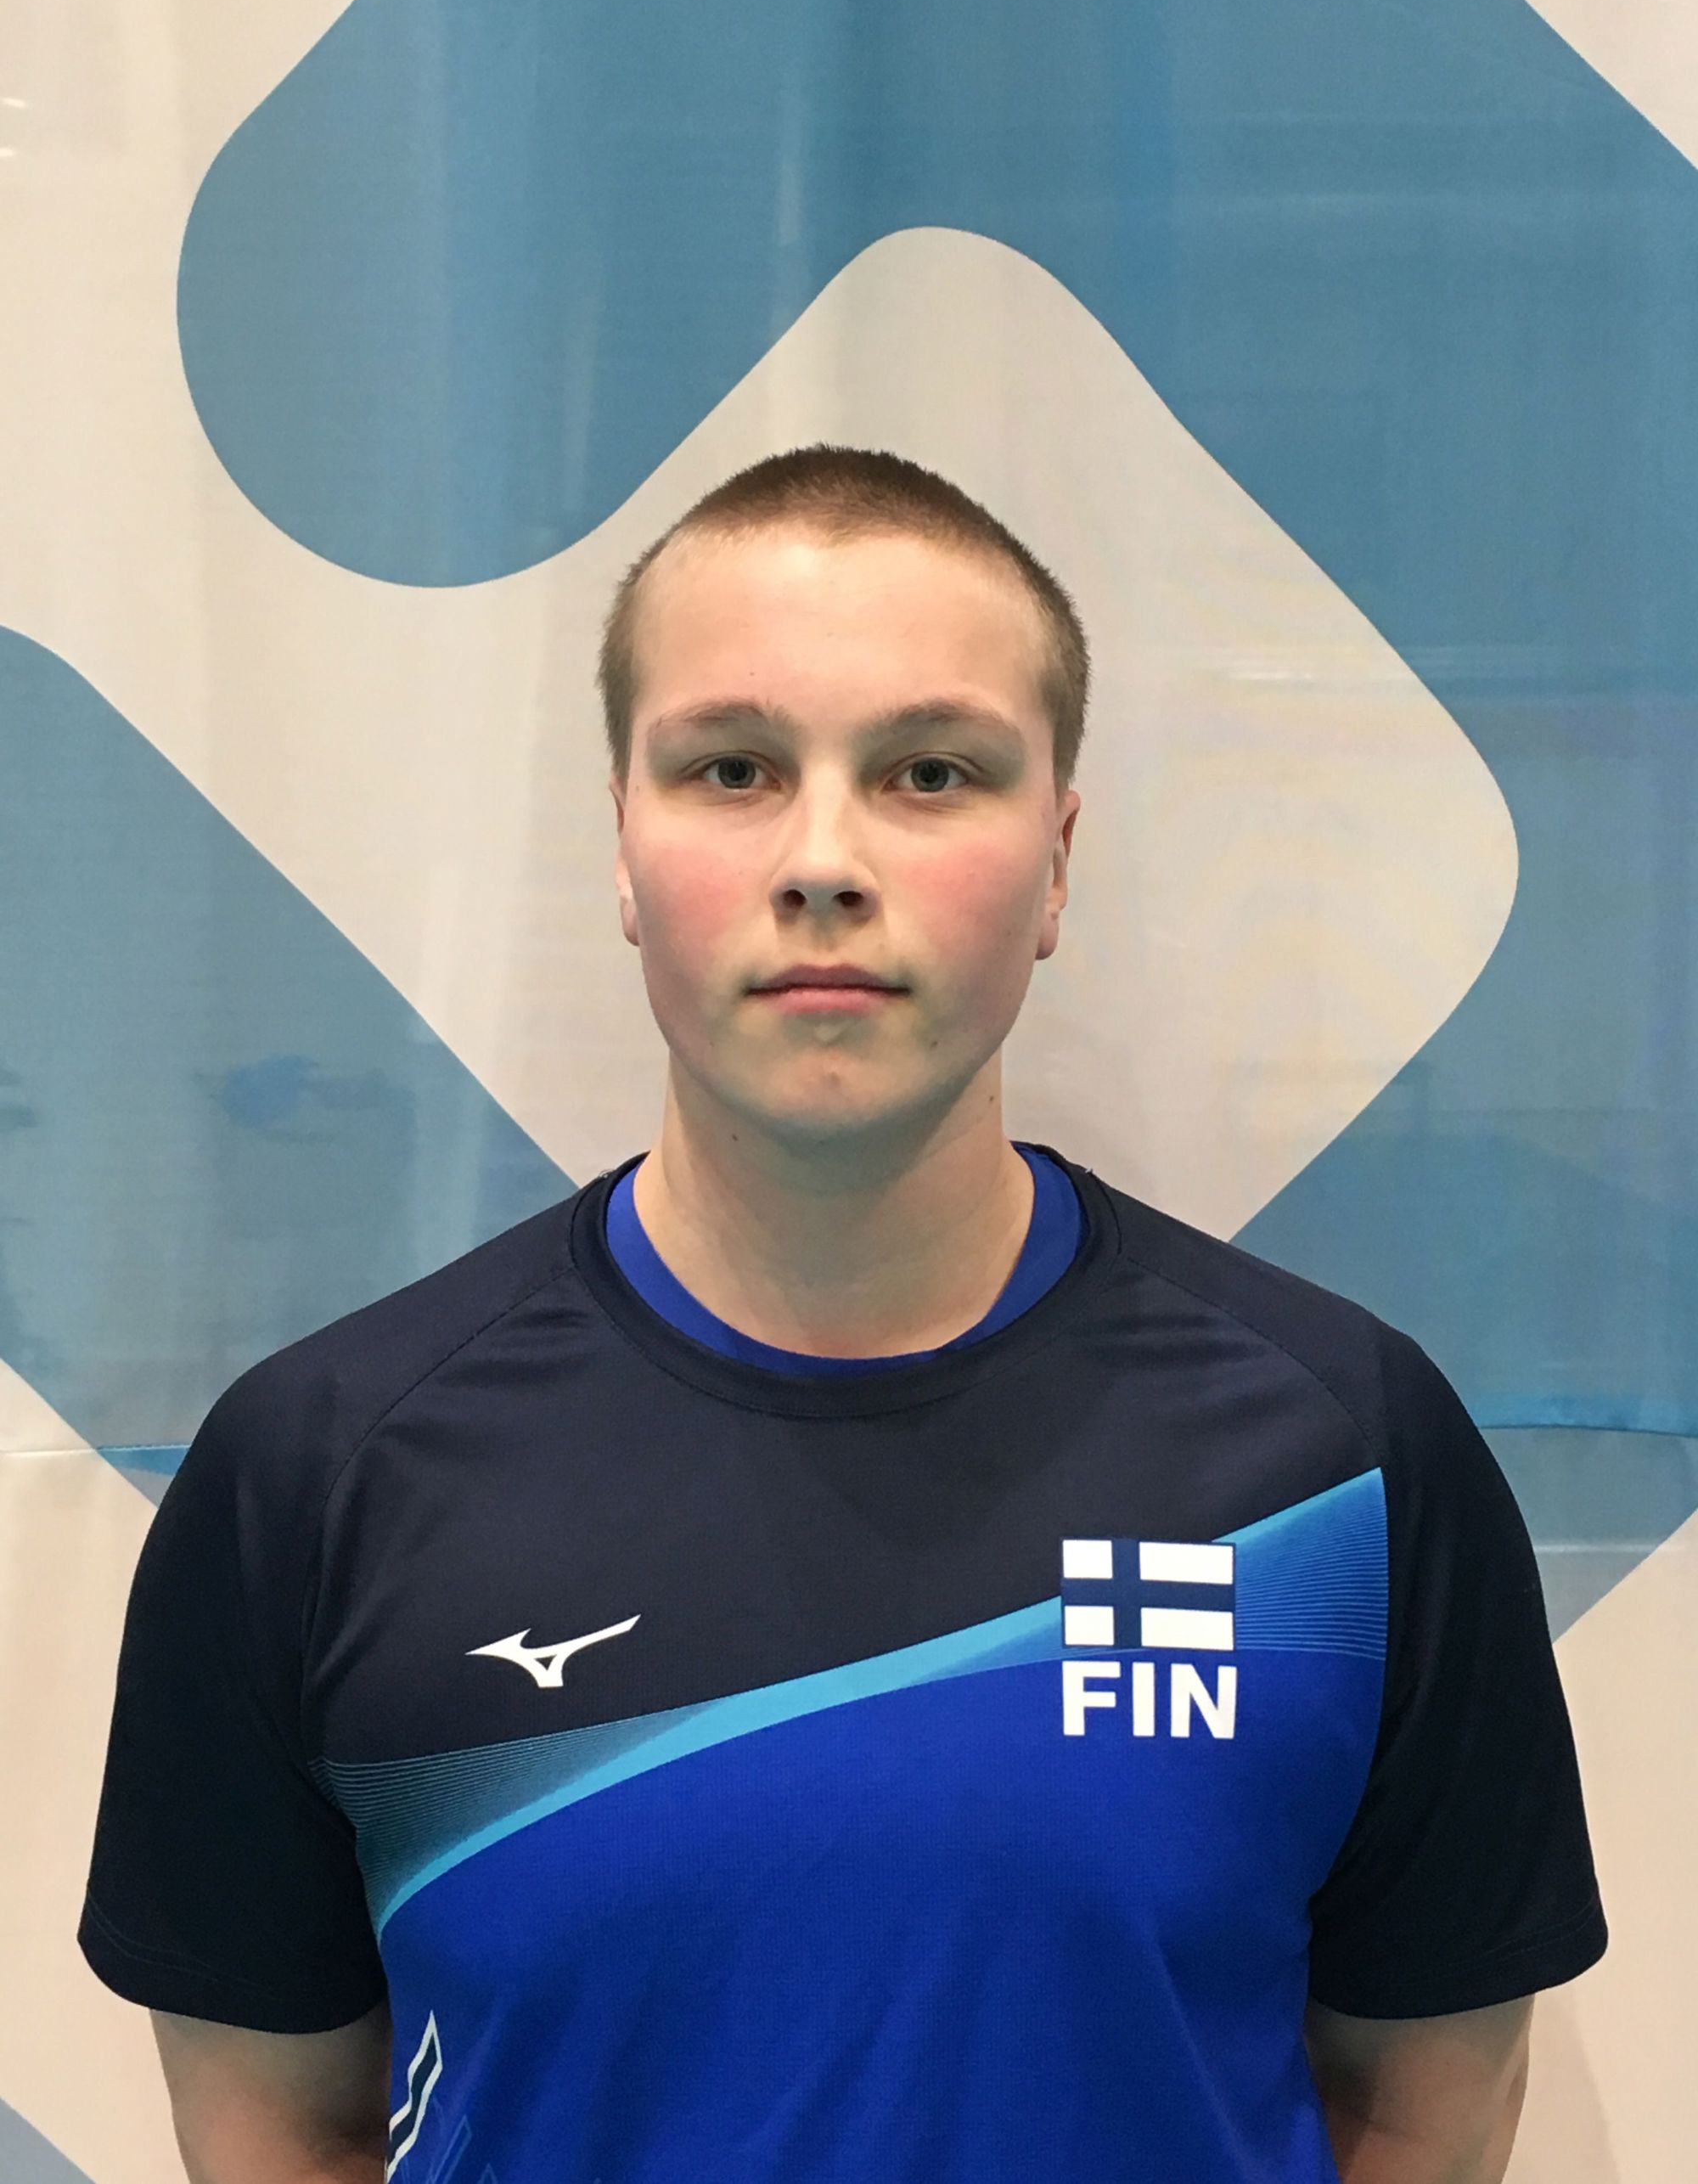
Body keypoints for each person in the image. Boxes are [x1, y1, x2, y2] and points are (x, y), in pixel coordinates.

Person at [80, 446, 1605, 2183]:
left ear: (1055, 860)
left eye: (929, 772)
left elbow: (1423, 2103)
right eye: (732, 768)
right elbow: (281, 2125)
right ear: (624, 847)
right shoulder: (319, 1473)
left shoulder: (1342, 1462)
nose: (822, 860)